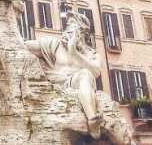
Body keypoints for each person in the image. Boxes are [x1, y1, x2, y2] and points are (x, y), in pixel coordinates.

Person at [19, 9, 103, 138]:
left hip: (78, 84)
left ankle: (92, 120)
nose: (67, 33)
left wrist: (73, 52)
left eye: (72, 31)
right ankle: (92, 118)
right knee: (84, 74)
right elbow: (25, 46)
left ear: (83, 35)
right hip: (57, 85)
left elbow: (96, 72)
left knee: (85, 74)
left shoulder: (92, 54)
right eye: (67, 29)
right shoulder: (54, 45)